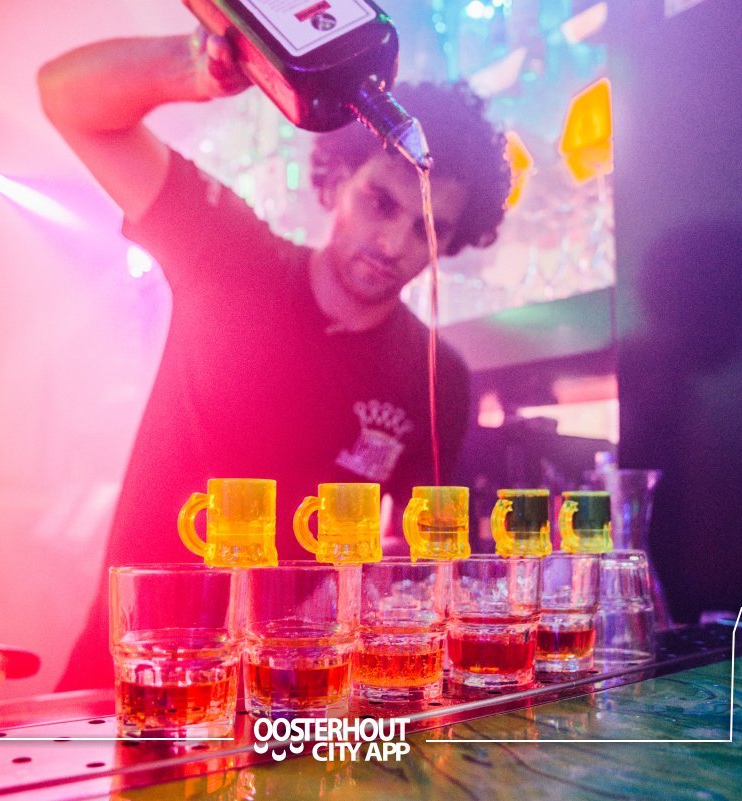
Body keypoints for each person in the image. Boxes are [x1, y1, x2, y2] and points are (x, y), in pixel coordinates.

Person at [38, 29, 512, 689]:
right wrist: (199, 69)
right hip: (132, 672)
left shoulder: (437, 376)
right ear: (338, 179)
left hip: (293, 695)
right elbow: (67, 99)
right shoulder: (231, 254)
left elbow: (415, 563)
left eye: (425, 227)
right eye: (381, 203)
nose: (393, 243)